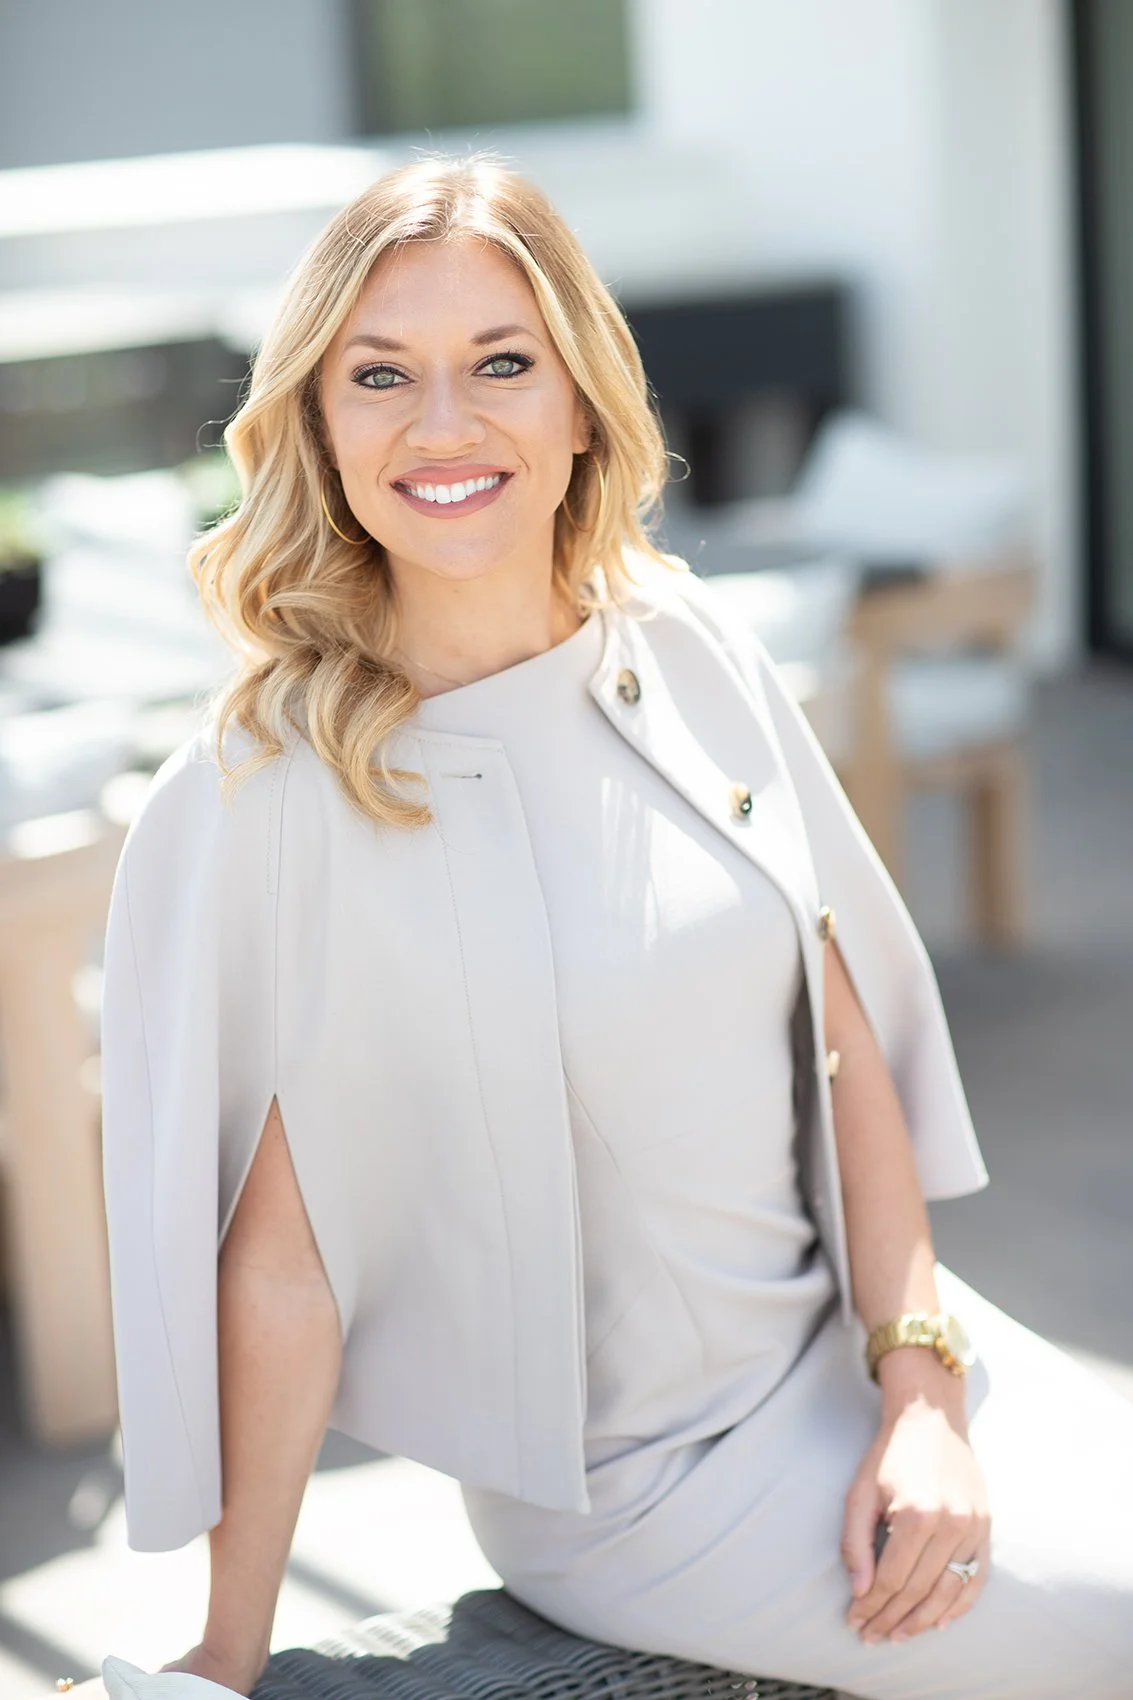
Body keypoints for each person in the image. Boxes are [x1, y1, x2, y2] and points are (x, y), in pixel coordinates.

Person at [94, 158, 1133, 1700]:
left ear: (582, 404)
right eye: (380, 376)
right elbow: (278, 1271)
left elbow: (844, 1048)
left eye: (502, 363)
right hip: (646, 1494)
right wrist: (221, 1655)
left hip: (880, 1354)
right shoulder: (275, 793)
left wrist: (922, 1389)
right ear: (316, 422)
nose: (444, 426)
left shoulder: (689, 644)